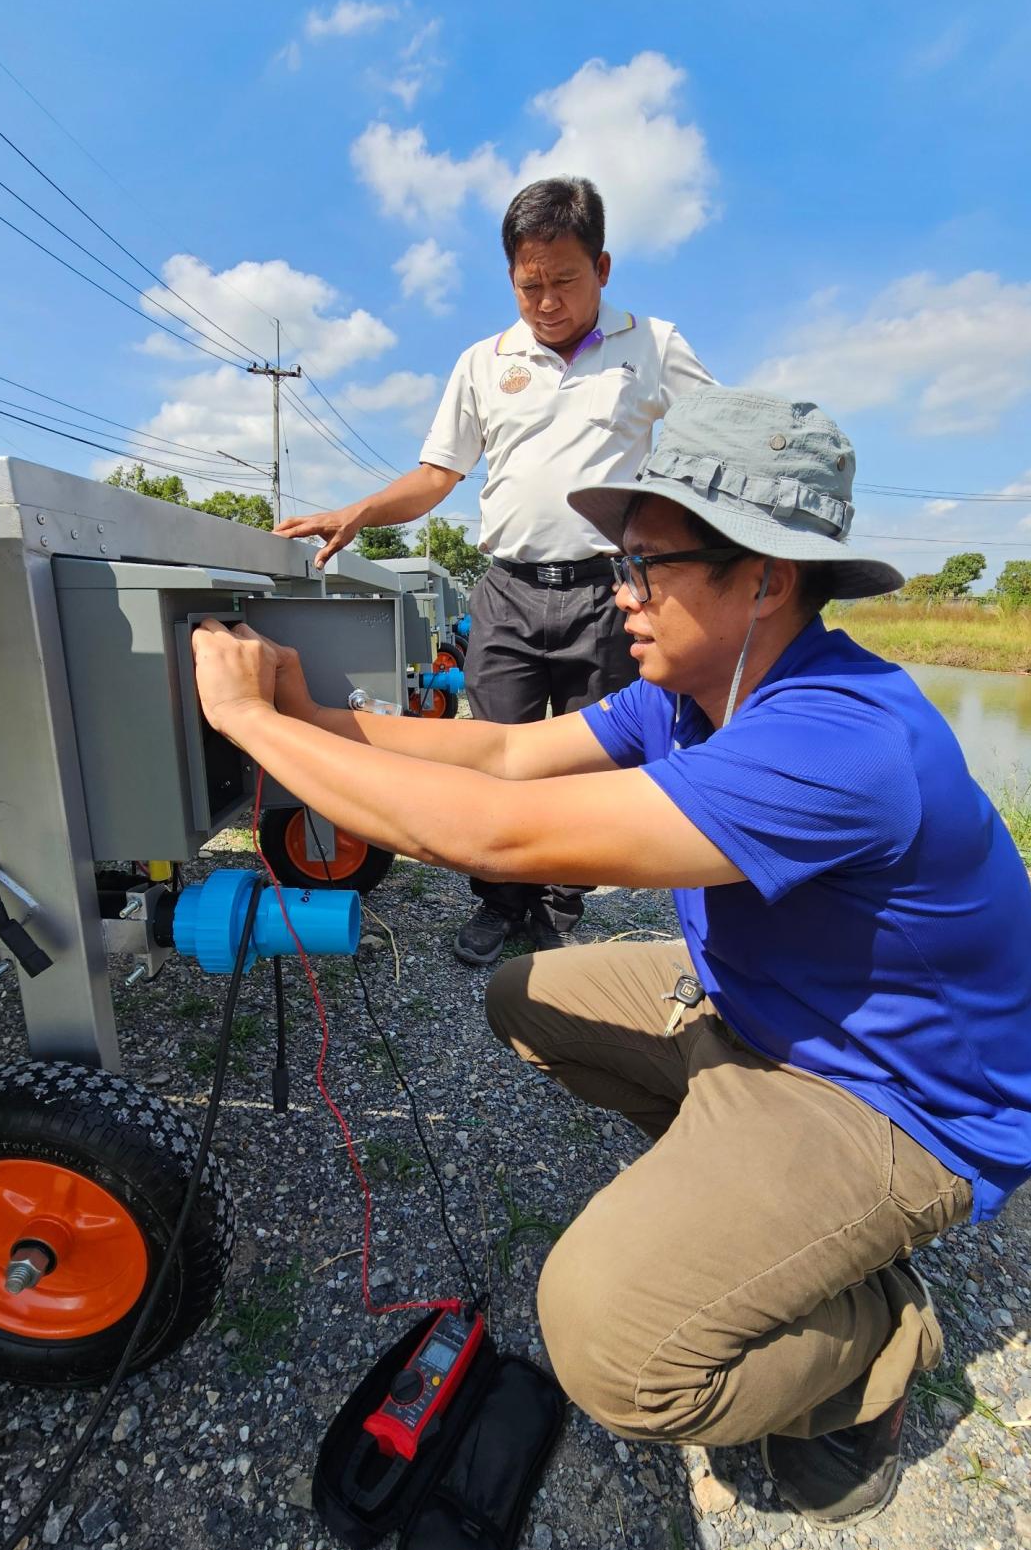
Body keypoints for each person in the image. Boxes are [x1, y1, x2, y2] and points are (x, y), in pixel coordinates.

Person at [193, 386, 1031, 1527]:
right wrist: (310, 712)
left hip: (899, 1098)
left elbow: (492, 834)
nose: (622, 593)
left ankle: (876, 1340)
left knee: (611, 1345)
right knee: (524, 993)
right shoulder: (693, 692)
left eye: (650, 565)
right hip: (766, 1017)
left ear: (766, 574)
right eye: (622, 561)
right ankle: (756, 1207)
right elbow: (506, 753)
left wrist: (250, 727)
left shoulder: (835, 739)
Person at [273, 174, 714, 964]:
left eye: (564, 282)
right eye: (528, 286)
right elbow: (437, 475)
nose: (546, 302)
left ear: (603, 268)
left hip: (608, 591)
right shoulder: (484, 361)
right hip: (507, 591)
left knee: (591, 762)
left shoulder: (655, 347)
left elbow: (719, 446)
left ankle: (559, 903)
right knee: (497, 752)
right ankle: (500, 903)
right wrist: (357, 512)